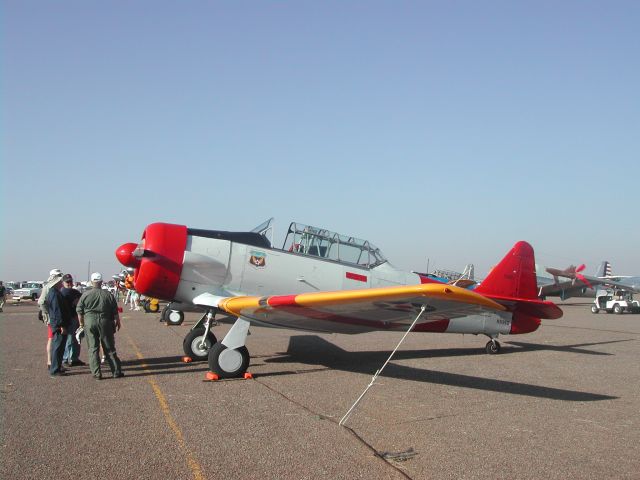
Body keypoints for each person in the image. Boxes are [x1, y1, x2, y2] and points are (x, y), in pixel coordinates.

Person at [76, 272, 123, 380]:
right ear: (101, 282)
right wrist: (118, 322)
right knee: (109, 347)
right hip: (105, 321)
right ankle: (116, 371)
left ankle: (96, 373)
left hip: (89, 321)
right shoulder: (108, 295)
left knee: (93, 348)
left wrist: (82, 324)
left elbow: (79, 311)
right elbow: (115, 312)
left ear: (92, 282)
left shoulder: (85, 295)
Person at [46, 274, 72, 377]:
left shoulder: (54, 293)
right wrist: (62, 325)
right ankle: (55, 369)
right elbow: (57, 311)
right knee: (58, 346)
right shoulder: (54, 294)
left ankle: (57, 367)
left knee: (59, 346)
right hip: (59, 324)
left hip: (57, 323)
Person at [39, 268, 62, 370]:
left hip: (54, 316)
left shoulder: (53, 287)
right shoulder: (48, 287)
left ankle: (52, 361)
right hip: (52, 318)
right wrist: (47, 313)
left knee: (53, 339)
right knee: (52, 339)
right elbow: (41, 302)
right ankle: (50, 361)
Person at [60, 274, 85, 367]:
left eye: (70, 281)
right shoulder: (62, 293)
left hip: (76, 318)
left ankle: (74, 358)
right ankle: (65, 359)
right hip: (68, 319)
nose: (69, 283)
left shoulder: (75, 291)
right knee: (69, 340)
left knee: (77, 338)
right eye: (67, 282)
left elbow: (81, 300)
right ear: (63, 283)